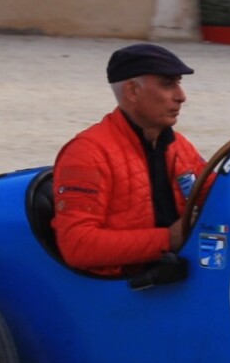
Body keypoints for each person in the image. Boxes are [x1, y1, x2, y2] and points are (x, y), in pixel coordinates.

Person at [52, 42, 207, 279]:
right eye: (168, 85)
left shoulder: (179, 146)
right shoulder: (87, 153)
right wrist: (169, 238)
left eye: (179, 83)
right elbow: (77, 245)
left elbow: (218, 192)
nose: (181, 96)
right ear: (132, 91)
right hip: (132, 287)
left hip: (177, 275)